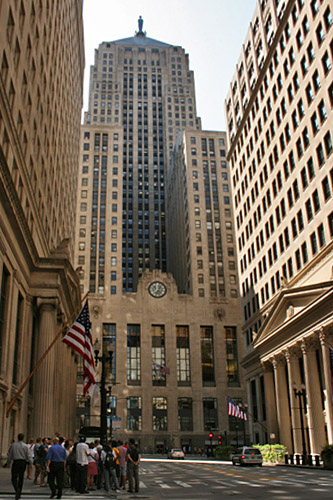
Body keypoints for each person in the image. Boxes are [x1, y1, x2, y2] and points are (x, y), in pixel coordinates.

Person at [7, 433, 33, 500]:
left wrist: (8, 462)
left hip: (16, 462)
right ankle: (19, 491)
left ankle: (17, 490)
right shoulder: (25, 446)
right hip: (23, 462)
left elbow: (10, 455)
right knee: (21, 477)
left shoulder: (13, 446)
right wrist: (31, 464)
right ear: (23, 438)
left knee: (14, 478)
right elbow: (29, 455)